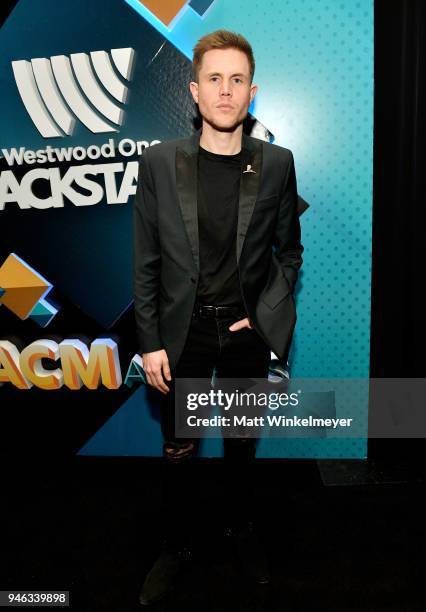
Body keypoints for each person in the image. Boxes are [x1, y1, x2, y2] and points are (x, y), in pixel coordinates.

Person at [133, 29, 304, 606]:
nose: (225, 91)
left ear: (251, 93)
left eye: (236, 81)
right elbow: (146, 258)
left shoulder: (277, 164)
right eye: (214, 79)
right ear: (194, 91)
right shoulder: (158, 163)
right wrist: (150, 340)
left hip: (244, 333)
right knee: (180, 447)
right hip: (182, 334)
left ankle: (240, 531)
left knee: (240, 443)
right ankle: (176, 546)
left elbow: (290, 252)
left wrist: (267, 318)